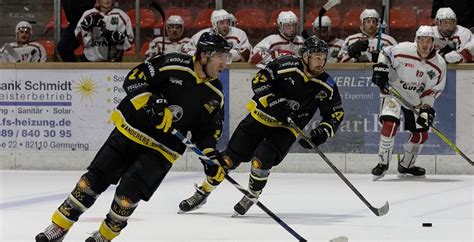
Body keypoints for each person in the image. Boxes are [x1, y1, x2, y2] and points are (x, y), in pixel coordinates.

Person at [34, 32, 231, 242]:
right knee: (91, 182)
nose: (224, 62)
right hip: (130, 132)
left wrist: (210, 158)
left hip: (162, 150)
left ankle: (104, 236)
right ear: (203, 56)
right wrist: (151, 101)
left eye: (226, 57)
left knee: (127, 197)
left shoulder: (215, 94)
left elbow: (207, 133)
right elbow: (135, 79)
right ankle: (59, 227)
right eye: (220, 56)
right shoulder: (173, 63)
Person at [178, 37, 344, 216]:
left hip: (286, 128)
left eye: (323, 57)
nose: (321, 62)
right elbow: (259, 80)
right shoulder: (285, 64)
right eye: (316, 57)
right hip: (259, 118)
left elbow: (335, 114)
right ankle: (202, 193)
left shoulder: (327, 85)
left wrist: (322, 132)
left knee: (262, 159)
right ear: (305, 56)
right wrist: (273, 101)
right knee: (227, 161)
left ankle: (252, 194)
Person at [370, 26, 446, 181]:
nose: (424, 44)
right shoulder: (403, 49)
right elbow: (385, 53)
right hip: (394, 93)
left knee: (421, 135)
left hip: (416, 100)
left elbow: (433, 90)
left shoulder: (439, 64)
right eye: (421, 39)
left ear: (433, 42)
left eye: (428, 40)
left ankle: (406, 165)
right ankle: (383, 163)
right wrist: (381, 67)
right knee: (389, 125)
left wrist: (426, 108)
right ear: (416, 40)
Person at [184, 9, 252, 62]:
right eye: (222, 23)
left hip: (234, 70)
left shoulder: (239, 34)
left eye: (227, 22)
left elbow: (246, 53)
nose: (225, 25)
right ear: (214, 24)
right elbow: (186, 50)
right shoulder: (202, 35)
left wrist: (211, 54)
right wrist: (200, 55)